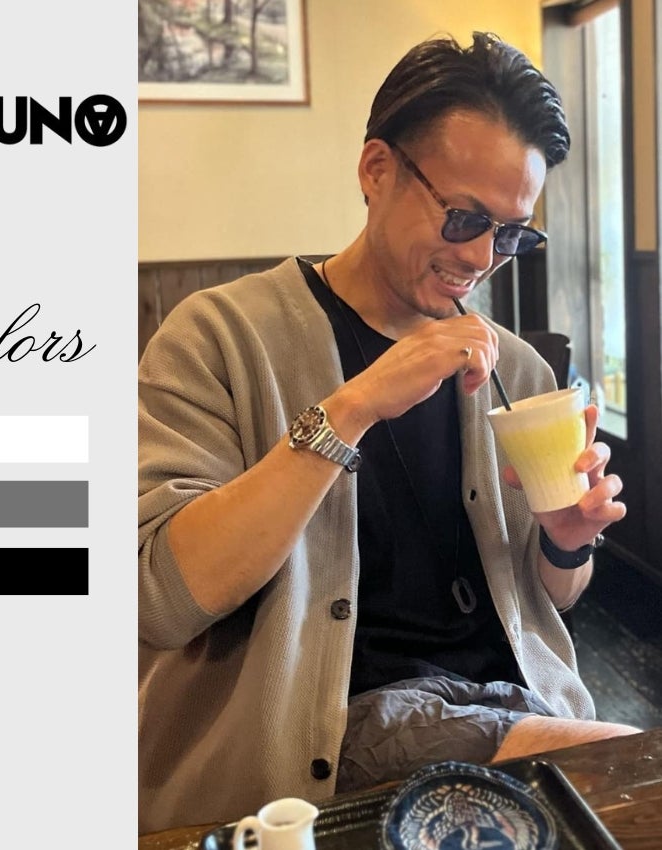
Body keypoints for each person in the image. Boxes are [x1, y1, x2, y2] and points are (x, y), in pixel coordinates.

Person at [137, 31, 638, 835]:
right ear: (376, 170)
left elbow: (555, 599)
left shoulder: (513, 368)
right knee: (631, 776)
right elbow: (160, 599)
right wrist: (352, 407)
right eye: (464, 217)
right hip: (324, 736)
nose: (483, 257)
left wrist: (565, 543)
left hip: (516, 701)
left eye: (511, 233)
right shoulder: (220, 337)